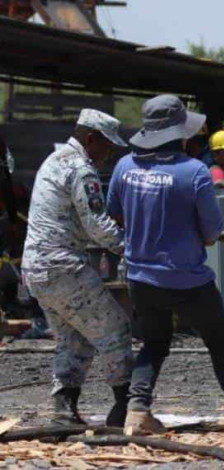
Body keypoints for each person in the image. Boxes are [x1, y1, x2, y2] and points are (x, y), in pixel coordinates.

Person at [107, 95, 224, 434]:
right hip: (188, 280)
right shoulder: (194, 172)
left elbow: (115, 212)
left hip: (140, 276)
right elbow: (211, 232)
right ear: (179, 134)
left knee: (154, 343)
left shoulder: (125, 167)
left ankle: (136, 410)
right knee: (220, 341)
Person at [21, 109, 132, 426]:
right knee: (116, 329)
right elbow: (97, 225)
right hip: (62, 265)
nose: (108, 154)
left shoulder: (54, 160)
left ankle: (64, 409)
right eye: (106, 146)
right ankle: (124, 406)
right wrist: (130, 248)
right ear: (91, 138)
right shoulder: (81, 169)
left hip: (37, 269)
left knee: (74, 339)